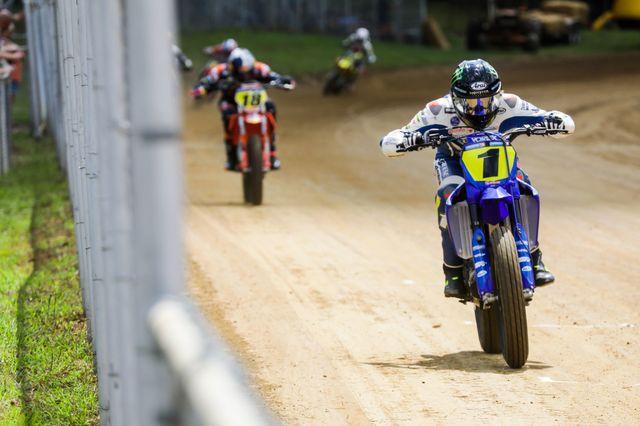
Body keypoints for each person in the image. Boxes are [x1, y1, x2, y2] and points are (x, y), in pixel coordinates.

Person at [379, 59, 575, 299]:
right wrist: (405, 140)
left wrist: (553, 122)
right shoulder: (437, 111)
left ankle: (534, 259)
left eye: (487, 100)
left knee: (523, 182)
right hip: (454, 161)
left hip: (498, 158)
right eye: (471, 102)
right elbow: (393, 140)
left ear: (498, 94)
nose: (480, 108)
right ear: (455, 98)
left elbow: (556, 120)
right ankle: (452, 270)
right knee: (447, 194)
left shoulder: (511, 104)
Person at [190, 48, 295, 171]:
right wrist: (201, 89)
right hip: (231, 102)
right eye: (240, 72)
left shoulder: (260, 68)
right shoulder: (220, 70)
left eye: (247, 72)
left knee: (270, 106)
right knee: (227, 113)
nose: (244, 75)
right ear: (232, 67)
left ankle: (272, 152)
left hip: (256, 102)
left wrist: (284, 82)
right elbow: (207, 82)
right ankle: (232, 156)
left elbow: (275, 77)